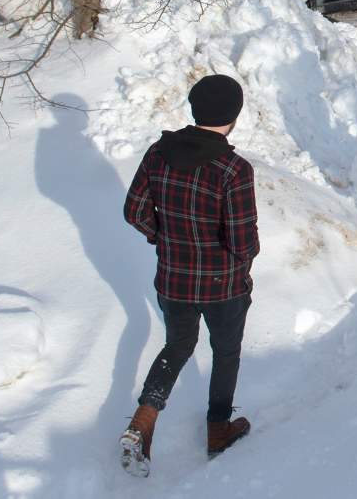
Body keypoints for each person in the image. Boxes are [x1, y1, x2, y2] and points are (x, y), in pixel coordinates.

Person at [120, 75, 258, 476]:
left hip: (173, 279)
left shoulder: (158, 153)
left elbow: (134, 211)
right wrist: (239, 259)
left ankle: (142, 422)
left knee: (178, 345)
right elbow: (242, 240)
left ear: (195, 110)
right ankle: (218, 430)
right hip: (224, 284)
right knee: (226, 351)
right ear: (234, 116)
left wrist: (163, 237)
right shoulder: (233, 169)